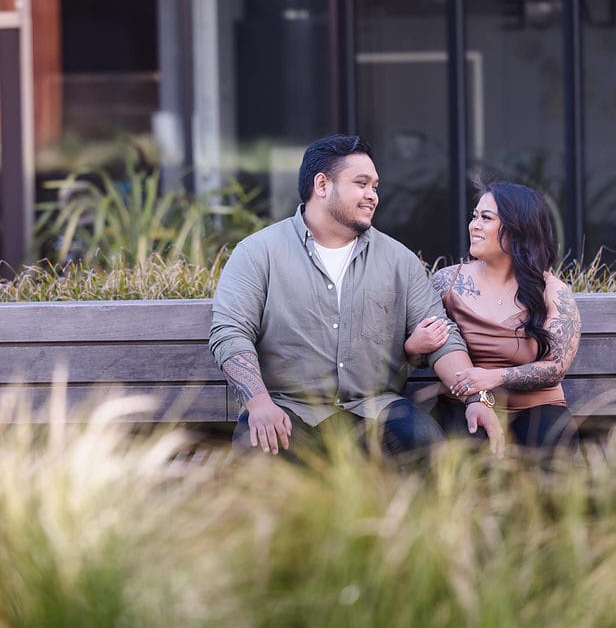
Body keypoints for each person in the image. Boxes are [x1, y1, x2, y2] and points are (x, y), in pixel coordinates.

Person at [208, 134, 503, 459]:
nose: (372, 195)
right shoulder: (258, 253)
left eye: (375, 187)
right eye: (361, 184)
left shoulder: (398, 260)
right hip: (288, 408)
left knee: (425, 441)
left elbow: (444, 339)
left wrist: (475, 399)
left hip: (376, 408)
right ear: (322, 185)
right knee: (254, 448)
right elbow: (231, 334)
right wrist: (259, 403)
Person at [405, 181, 582, 450]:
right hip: (464, 404)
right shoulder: (447, 283)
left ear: (517, 228)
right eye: (474, 216)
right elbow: (423, 355)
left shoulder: (552, 292)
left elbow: (556, 368)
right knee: (468, 454)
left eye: (486, 218)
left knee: (552, 451)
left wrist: (494, 377)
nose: (474, 225)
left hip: (536, 406)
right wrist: (413, 348)